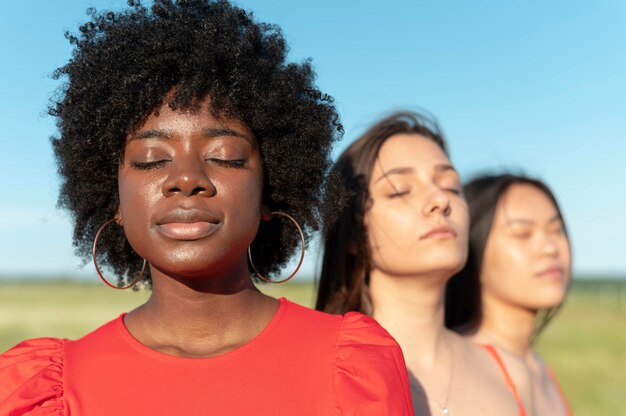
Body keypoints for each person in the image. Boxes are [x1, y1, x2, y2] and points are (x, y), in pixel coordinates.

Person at [0, 2, 413, 414]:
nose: (186, 178)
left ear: (271, 189)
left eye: (225, 155)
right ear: (114, 199)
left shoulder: (355, 367)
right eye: (150, 159)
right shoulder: (47, 390)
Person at [317, 111, 521, 415]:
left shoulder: (510, 372)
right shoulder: (315, 371)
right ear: (353, 234)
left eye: (451, 186)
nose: (441, 200)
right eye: (400, 190)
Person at [445, 174, 573, 415]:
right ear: (472, 247)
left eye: (557, 230)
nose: (549, 248)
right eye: (523, 233)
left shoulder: (540, 368)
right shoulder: (459, 372)